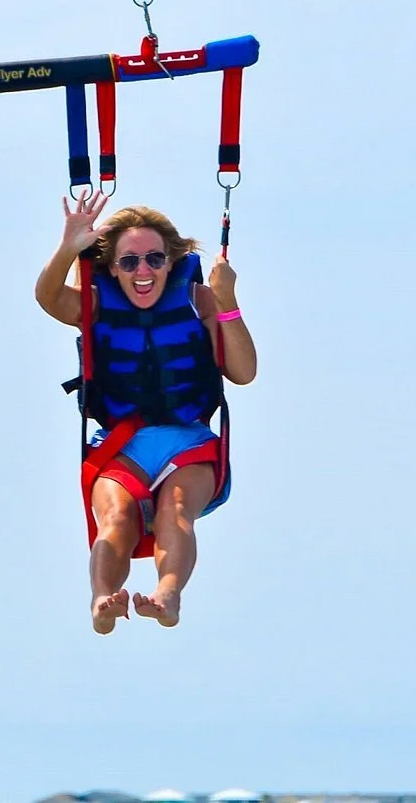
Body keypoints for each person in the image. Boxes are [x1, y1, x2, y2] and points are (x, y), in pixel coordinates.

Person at [35, 191, 256, 634]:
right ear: (112, 268)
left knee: (176, 509)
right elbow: (48, 297)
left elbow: (244, 372)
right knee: (117, 518)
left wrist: (227, 301)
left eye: (154, 259)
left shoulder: (199, 299)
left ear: (170, 263)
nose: (143, 271)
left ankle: (167, 595)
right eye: (129, 262)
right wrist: (67, 248)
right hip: (120, 444)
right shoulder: (95, 303)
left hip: (188, 439)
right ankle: (103, 600)